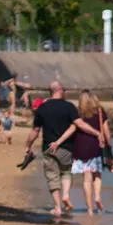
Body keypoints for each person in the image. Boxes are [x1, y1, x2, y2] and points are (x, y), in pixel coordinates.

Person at [49, 89, 111, 215]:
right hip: (95, 148)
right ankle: (97, 197)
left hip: (81, 149)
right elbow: (106, 131)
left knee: (86, 180)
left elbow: (71, 129)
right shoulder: (100, 112)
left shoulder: (77, 113)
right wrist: (109, 146)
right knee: (97, 176)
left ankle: (89, 210)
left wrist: (58, 141)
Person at [24, 80, 80, 216]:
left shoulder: (42, 108)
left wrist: (28, 145)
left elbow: (35, 131)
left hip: (48, 148)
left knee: (52, 177)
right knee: (66, 172)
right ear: (60, 90)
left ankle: (57, 207)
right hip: (67, 147)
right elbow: (76, 125)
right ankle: (65, 195)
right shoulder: (69, 107)